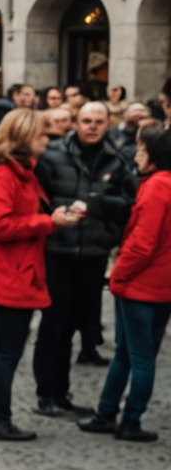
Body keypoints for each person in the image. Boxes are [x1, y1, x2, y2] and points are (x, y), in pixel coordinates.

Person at [0, 108, 82, 441]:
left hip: (8, 271)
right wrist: (49, 223)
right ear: (26, 137)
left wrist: (50, 217)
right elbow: (0, 226)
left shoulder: (19, 172)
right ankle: (1, 420)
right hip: (7, 274)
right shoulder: (2, 175)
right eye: (42, 134)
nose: (47, 139)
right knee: (8, 350)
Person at [31, 101, 135, 415]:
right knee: (53, 324)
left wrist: (109, 228)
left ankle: (61, 393)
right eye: (86, 120)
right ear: (76, 122)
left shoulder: (117, 160)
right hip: (57, 252)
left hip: (93, 253)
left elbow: (130, 204)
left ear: (107, 124)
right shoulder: (51, 156)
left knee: (77, 324)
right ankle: (46, 393)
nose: (92, 126)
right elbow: (37, 200)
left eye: (98, 121)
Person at [80, 123, 171, 441]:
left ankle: (129, 419)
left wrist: (118, 275)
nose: (137, 156)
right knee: (128, 353)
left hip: (142, 287)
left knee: (139, 358)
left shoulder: (158, 186)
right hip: (159, 287)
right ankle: (106, 412)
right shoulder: (163, 183)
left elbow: (142, 245)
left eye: (142, 150)